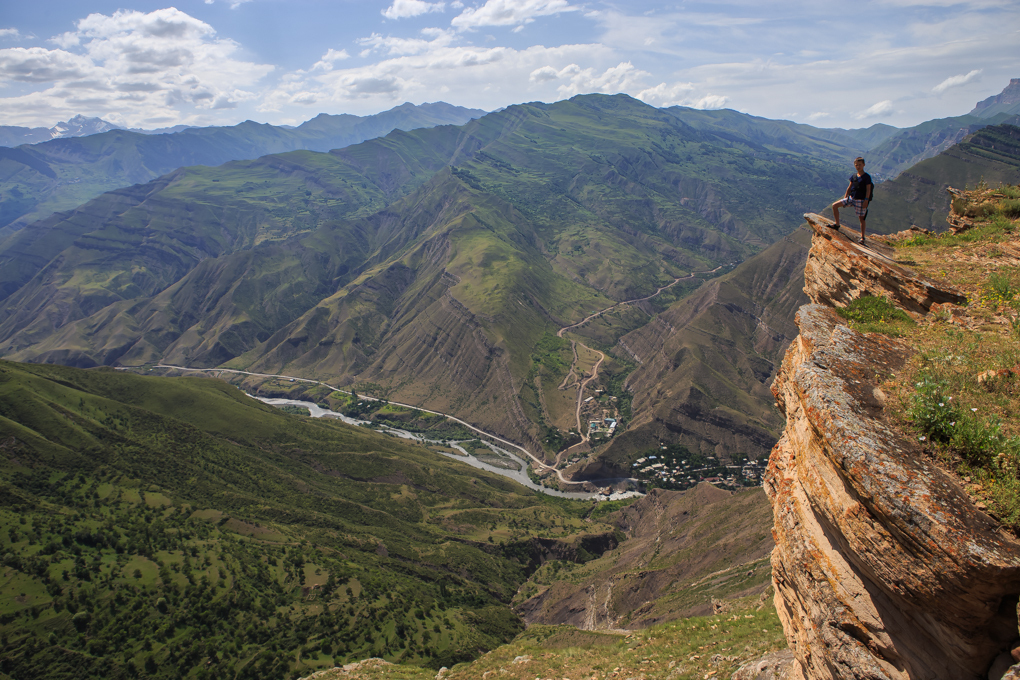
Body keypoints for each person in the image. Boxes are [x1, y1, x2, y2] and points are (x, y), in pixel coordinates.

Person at [830, 157, 873, 244]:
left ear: (864, 165)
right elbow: (849, 188)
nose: (858, 166)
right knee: (834, 206)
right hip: (851, 198)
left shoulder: (867, 177)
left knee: (862, 219)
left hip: (861, 200)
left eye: (860, 165)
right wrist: (846, 197)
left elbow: (868, 189)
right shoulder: (853, 176)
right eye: (856, 165)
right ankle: (837, 224)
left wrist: (866, 200)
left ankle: (862, 237)